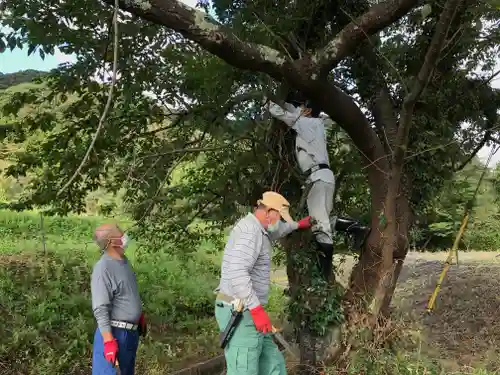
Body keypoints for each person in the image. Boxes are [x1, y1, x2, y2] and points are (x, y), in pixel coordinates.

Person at [263, 94, 370, 281]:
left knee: (320, 225)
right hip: (325, 176)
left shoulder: (306, 123)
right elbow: (291, 108)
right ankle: (355, 227)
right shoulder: (317, 124)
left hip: (317, 176)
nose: (296, 109)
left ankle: (324, 274)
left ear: (307, 110)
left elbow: (283, 114)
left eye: (300, 106)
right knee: (324, 219)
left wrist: (266, 101)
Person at [214, 191, 312, 375]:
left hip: (250, 310)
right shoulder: (250, 232)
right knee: (244, 370)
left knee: (273, 365)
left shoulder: (260, 229)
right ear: (268, 212)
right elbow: (237, 272)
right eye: (279, 217)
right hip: (239, 312)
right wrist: (257, 310)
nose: (280, 222)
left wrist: (298, 225)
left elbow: (278, 230)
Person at [91, 223, 147, 375]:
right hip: (114, 334)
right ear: (112, 241)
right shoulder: (103, 268)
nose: (124, 236)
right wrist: (108, 342)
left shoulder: (124, 262)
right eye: (121, 234)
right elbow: (100, 308)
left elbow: (127, 292)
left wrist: (137, 314)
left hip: (130, 335)